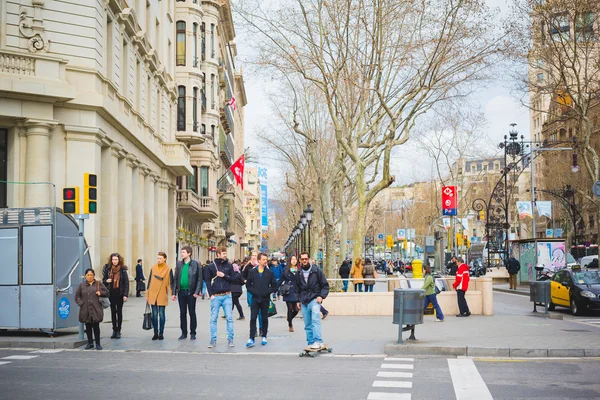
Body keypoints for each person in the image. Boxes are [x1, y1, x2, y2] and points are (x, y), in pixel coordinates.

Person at [204, 246, 240, 348]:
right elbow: (207, 280)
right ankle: (213, 339)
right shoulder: (211, 266)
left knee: (229, 318)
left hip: (227, 295)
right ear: (218, 254)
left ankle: (230, 339)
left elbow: (234, 279)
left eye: (225, 253)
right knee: (213, 318)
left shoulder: (229, 265)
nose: (225, 255)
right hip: (215, 296)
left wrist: (224, 275)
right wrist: (210, 294)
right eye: (223, 253)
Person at [295, 252, 330, 349]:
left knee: (315, 320)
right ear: (300, 260)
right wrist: (298, 300)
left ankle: (318, 341)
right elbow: (297, 288)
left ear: (309, 259)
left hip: (314, 298)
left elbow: (325, 285)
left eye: (306, 259)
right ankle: (310, 342)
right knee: (307, 323)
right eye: (302, 259)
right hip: (304, 300)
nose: (304, 261)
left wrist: (321, 296)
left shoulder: (316, 270)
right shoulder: (299, 273)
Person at [245, 253, 278, 347]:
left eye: (266, 259)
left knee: (264, 318)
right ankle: (251, 337)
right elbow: (248, 285)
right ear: (258, 260)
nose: (265, 261)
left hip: (265, 299)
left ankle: (264, 335)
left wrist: (267, 292)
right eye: (263, 259)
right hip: (255, 298)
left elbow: (274, 286)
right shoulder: (252, 272)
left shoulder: (269, 272)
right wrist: (253, 292)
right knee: (253, 318)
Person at [172, 246, 203, 341]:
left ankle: (193, 332)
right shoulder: (179, 264)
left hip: (191, 293)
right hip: (181, 292)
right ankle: (183, 333)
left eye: (183, 252)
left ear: (189, 253)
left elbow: (199, 279)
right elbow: (175, 278)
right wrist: (174, 293)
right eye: (181, 252)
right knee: (182, 313)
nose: (181, 254)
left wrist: (197, 292)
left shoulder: (195, 264)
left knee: (192, 313)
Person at [75, 268, 108, 350]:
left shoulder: (98, 284)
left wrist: (101, 293)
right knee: (88, 327)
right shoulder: (81, 285)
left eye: (91, 275)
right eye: (88, 275)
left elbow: (107, 292)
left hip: (96, 309)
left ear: (94, 276)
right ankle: (90, 343)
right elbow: (77, 296)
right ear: (85, 276)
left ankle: (98, 343)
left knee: (96, 326)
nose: (89, 276)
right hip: (85, 309)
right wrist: (81, 303)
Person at [146, 252, 173, 340]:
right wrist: (147, 294)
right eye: (158, 258)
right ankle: (155, 333)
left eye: (160, 258)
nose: (159, 260)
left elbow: (171, 282)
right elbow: (149, 281)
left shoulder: (169, 269)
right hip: (153, 293)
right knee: (154, 314)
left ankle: (161, 333)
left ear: (165, 258)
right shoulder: (153, 268)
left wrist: (173, 294)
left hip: (162, 292)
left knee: (161, 314)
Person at [102, 253, 129, 339]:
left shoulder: (123, 270)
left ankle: (118, 330)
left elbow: (126, 283)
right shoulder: (107, 269)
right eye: (113, 260)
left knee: (119, 312)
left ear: (119, 260)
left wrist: (125, 295)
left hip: (120, 294)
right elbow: (103, 281)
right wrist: (107, 281)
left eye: (116, 260)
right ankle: (114, 330)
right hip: (111, 293)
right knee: (113, 312)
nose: (114, 261)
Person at [279, 255, 300, 332]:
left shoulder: (299, 269)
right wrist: (274, 288)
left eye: (295, 259)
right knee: (290, 308)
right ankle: (290, 324)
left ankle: (289, 318)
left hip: (296, 290)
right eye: (292, 259)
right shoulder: (286, 269)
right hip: (288, 290)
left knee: (296, 309)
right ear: (290, 260)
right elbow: (281, 279)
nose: (294, 261)